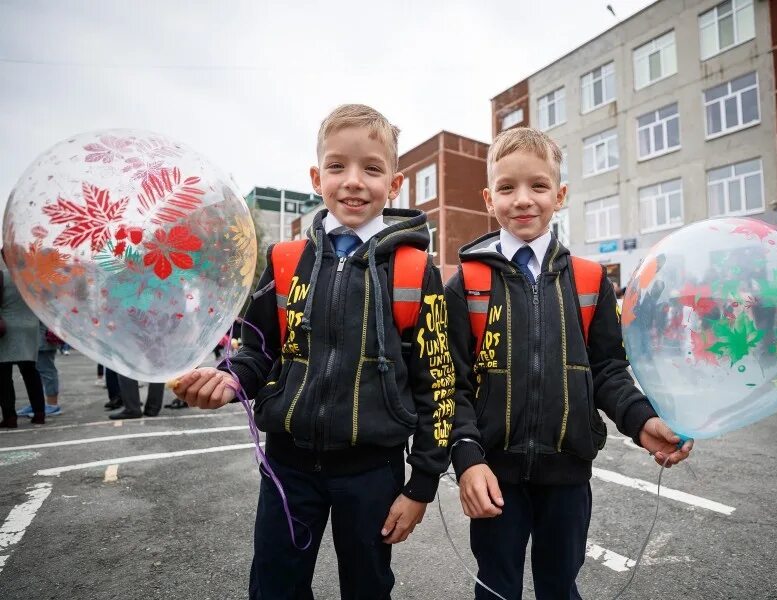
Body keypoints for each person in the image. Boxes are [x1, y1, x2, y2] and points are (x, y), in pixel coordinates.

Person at [173, 104, 454, 599]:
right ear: (315, 175)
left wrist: (422, 484)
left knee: (368, 587)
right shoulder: (285, 260)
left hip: (373, 471)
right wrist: (232, 377)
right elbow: (257, 349)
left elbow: (436, 380)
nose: (353, 181)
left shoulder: (415, 269)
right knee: (274, 587)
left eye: (371, 168)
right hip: (288, 466)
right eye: (337, 166)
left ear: (395, 183)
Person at [445, 127, 692, 599]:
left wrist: (642, 422)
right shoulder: (467, 282)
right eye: (506, 187)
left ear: (559, 195)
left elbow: (607, 371)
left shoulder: (588, 279)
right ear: (487, 197)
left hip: (568, 477)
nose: (523, 200)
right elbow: (450, 384)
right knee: (496, 588)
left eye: (538, 187)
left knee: (560, 586)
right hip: (493, 475)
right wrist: (467, 458)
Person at [0, 254, 45, 427]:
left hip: (7, 329)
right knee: (31, 372)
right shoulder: (32, 278)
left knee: (3, 376)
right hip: (30, 328)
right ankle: (39, 414)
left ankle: (10, 417)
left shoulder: (3, 276)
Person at [18, 323, 62, 417]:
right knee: (36, 373)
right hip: (34, 339)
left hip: (43, 338)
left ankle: (52, 405)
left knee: (47, 371)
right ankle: (37, 404)